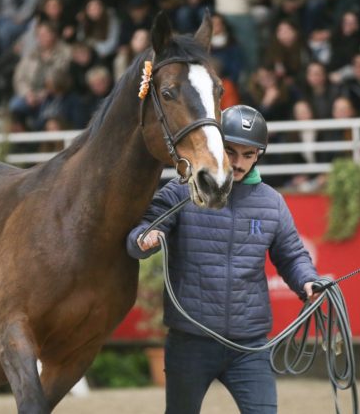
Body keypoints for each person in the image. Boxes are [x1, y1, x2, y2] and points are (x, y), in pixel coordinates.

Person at [126, 105, 319, 414]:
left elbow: (292, 255)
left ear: (258, 155)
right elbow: (139, 236)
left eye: (248, 154)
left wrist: (308, 281)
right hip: (190, 342)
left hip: (250, 345)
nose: (238, 162)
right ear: (216, 145)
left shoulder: (272, 202)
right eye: (230, 151)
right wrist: (144, 239)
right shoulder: (180, 191)